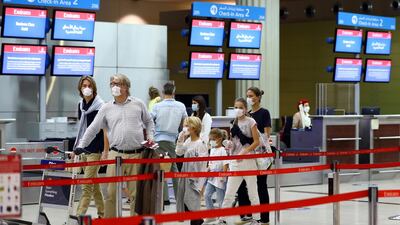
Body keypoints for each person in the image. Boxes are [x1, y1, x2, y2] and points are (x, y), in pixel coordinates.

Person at [75, 73, 155, 218]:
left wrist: (150, 137)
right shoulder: (106, 108)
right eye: (112, 84)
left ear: (126, 87)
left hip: (136, 154)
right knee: (111, 194)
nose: (114, 87)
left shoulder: (138, 104)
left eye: (117, 84)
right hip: (115, 154)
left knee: (135, 194)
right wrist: (82, 145)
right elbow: (93, 128)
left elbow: (149, 122)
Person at [218, 98, 261, 225]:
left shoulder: (251, 121)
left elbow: (256, 141)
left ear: (245, 109)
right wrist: (229, 144)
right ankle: (223, 218)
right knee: (229, 192)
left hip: (249, 162)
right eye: (236, 107)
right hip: (235, 162)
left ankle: (257, 218)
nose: (238, 109)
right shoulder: (233, 122)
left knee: (253, 192)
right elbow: (234, 142)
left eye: (240, 107)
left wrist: (245, 151)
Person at [235, 87, 272, 225]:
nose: (249, 98)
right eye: (247, 96)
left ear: (258, 97)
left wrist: (255, 139)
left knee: (261, 185)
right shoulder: (247, 114)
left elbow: (267, 134)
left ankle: (265, 218)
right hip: (249, 155)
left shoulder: (264, 113)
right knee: (245, 185)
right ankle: (246, 215)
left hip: (261, 155)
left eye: (251, 96)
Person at [73, 76, 107, 218]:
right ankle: (103, 214)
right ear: (80, 88)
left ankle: (78, 216)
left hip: (95, 150)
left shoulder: (100, 105)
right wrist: (78, 146)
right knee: (95, 186)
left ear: (93, 88)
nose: (86, 88)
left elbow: (104, 129)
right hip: (84, 149)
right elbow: (81, 128)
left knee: (86, 185)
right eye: (84, 85)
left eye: (89, 85)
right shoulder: (81, 105)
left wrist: (105, 150)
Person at [151, 81, 187, 204]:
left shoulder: (157, 106)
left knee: (159, 168)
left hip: (158, 140)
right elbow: (186, 123)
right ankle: (178, 198)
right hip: (172, 140)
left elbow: (150, 121)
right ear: (173, 92)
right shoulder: (181, 106)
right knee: (173, 168)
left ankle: (163, 198)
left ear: (163, 92)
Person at [176, 116, 208, 225]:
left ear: (193, 128)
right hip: (185, 173)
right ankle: (198, 219)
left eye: (186, 126)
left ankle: (197, 220)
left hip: (194, 178)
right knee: (185, 200)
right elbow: (179, 152)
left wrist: (200, 183)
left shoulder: (200, 144)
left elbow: (202, 164)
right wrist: (180, 140)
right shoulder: (188, 140)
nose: (184, 128)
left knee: (193, 202)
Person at [203, 128, 229, 224]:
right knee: (206, 195)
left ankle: (222, 218)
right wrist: (208, 169)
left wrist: (223, 177)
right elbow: (211, 163)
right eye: (210, 139)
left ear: (219, 139)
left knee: (221, 199)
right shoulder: (212, 150)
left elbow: (225, 164)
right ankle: (211, 215)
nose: (211, 141)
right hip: (211, 178)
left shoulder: (223, 150)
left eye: (212, 139)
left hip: (220, 178)